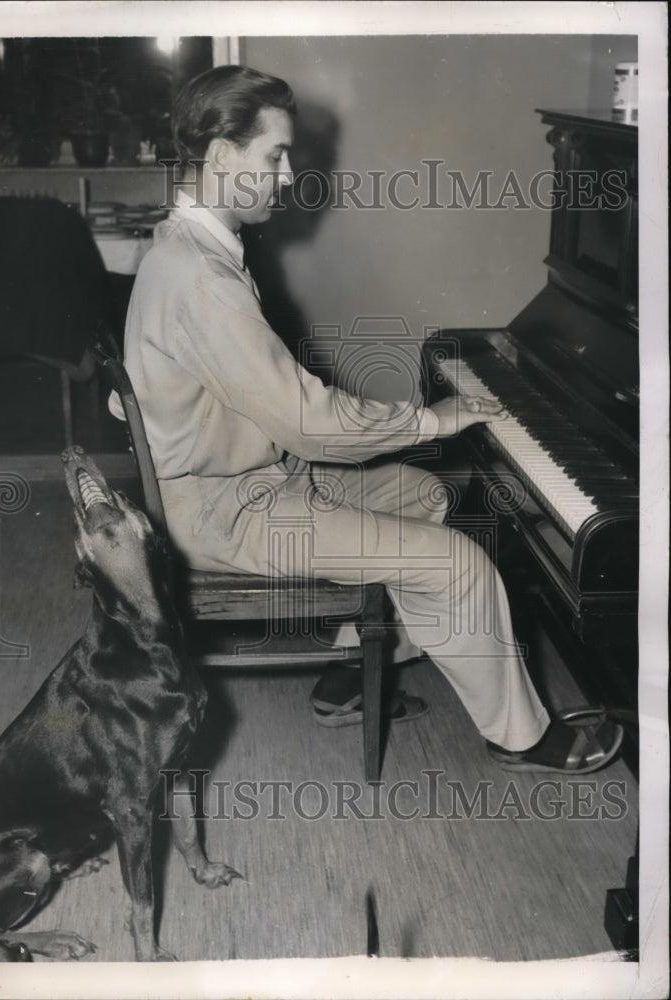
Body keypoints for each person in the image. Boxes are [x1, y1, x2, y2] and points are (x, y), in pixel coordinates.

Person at [112, 64, 622, 774]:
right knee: (459, 563)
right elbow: (310, 426)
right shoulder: (202, 279)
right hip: (222, 513)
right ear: (224, 157)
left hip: (244, 482)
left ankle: (353, 666)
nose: (287, 176)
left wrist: (413, 431)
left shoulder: (188, 247)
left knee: (429, 495)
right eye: (275, 155)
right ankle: (523, 737)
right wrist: (434, 421)